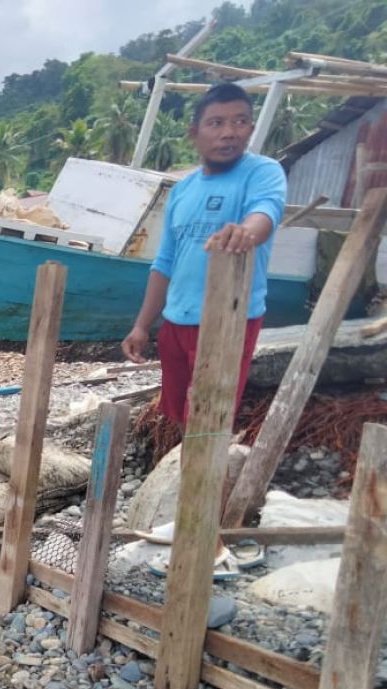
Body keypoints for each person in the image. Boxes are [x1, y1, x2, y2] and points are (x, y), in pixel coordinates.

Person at [120, 82, 286, 578]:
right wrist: (142, 324)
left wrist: (246, 232)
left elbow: (266, 216)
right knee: (185, 422)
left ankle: (207, 545)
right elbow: (165, 261)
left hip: (230, 318)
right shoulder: (186, 189)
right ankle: (195, 519)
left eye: (239, 121)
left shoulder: (262, 173)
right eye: (216, 123)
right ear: (195, 132)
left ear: (251, 127)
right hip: (177, 321)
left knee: (209, 425)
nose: (229, 132)